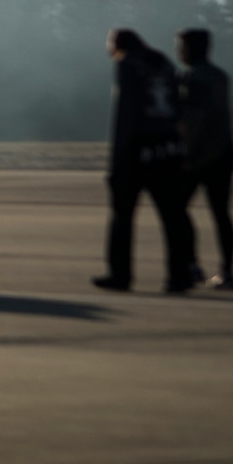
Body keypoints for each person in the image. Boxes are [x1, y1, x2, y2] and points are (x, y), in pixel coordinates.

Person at [93, 28, 194, 292]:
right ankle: (179, 276)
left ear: (118, 45)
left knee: (122, 217)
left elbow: (126, 113)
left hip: (137, 150)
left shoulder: (127, 65)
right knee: (173, 216)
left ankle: (121, 274)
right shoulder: (162, 63)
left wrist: (116, 160)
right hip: (168, 148)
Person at [176, 28, 233, 290]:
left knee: (176, 207)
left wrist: (186, 153)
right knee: (221, 213)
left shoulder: (191, 78)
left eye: (181, 47)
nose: (178, 52)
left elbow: (193, 119)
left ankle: (191, 264)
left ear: (190, 49)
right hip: (224, 150)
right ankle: (227, 270)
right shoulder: (220, 76)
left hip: (199, 154)